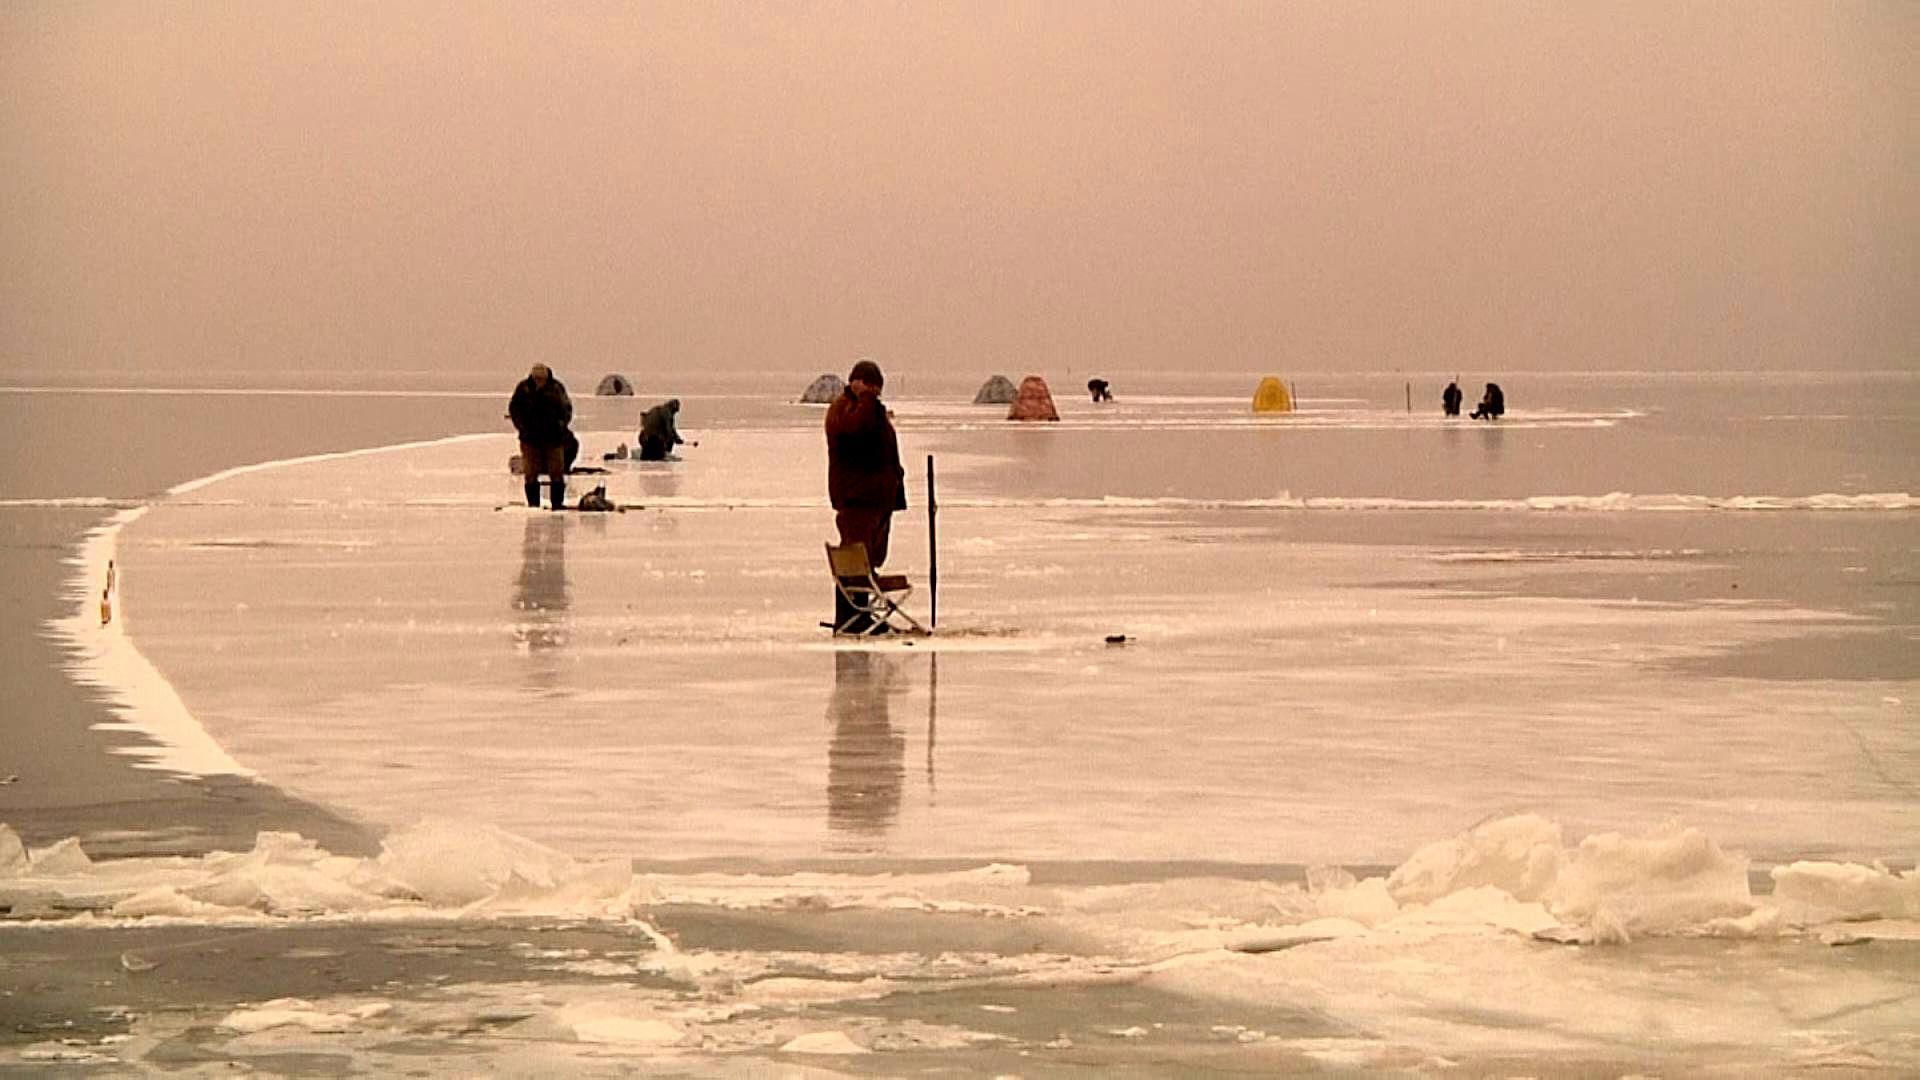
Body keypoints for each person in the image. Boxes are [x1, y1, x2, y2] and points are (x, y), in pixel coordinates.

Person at [825, 359, 906, 634]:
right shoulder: (844, 410)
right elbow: (857, 430)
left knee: (867, 559)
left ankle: (859, 615)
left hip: (875, 499)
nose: (874, 393)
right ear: (858, 382)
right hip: (857, 497)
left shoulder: (866, 410)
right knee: (855, 557)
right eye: (871, 387)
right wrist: (868, 399)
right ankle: (852, 618)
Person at [509, 363, 574, 509]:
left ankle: (557, 504)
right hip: (530, 439)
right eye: (536, 378)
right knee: (530, 473)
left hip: (553, 438)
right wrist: (522, 428)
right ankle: (533, 504)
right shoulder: (523, 389)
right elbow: (514, 409)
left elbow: (566, 409)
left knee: (556, 472)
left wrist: (560, 426)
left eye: (541, 378)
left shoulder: (556, 389)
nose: (539, 381)